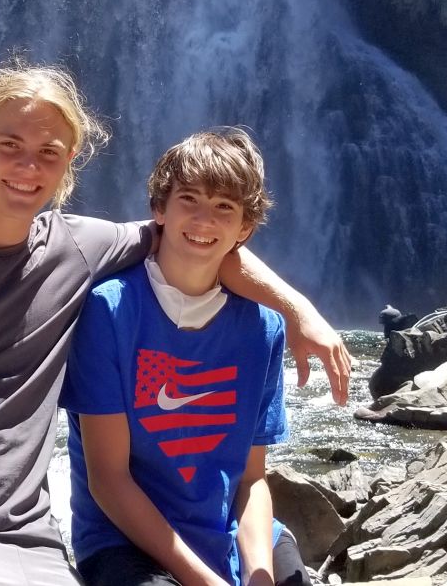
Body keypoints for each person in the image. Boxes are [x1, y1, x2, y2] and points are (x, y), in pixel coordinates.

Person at [0, 62, 352, 586]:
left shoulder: (78, 251)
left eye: (49, 152)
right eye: (10, 145)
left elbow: (204, 244)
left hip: (28, 544)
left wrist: (299, 312)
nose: (28, 166)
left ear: (69, 163)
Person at [63, 128, 308, 586]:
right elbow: (108, 480)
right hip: (126, 541)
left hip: (231, 534)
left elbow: (252, 480)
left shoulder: (263, 329)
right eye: (188, 199)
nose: (203, 219)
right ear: (160, 208)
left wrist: (258, 576)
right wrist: (206, 582)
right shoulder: (109, 311)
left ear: (245, 228)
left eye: (224, 207)